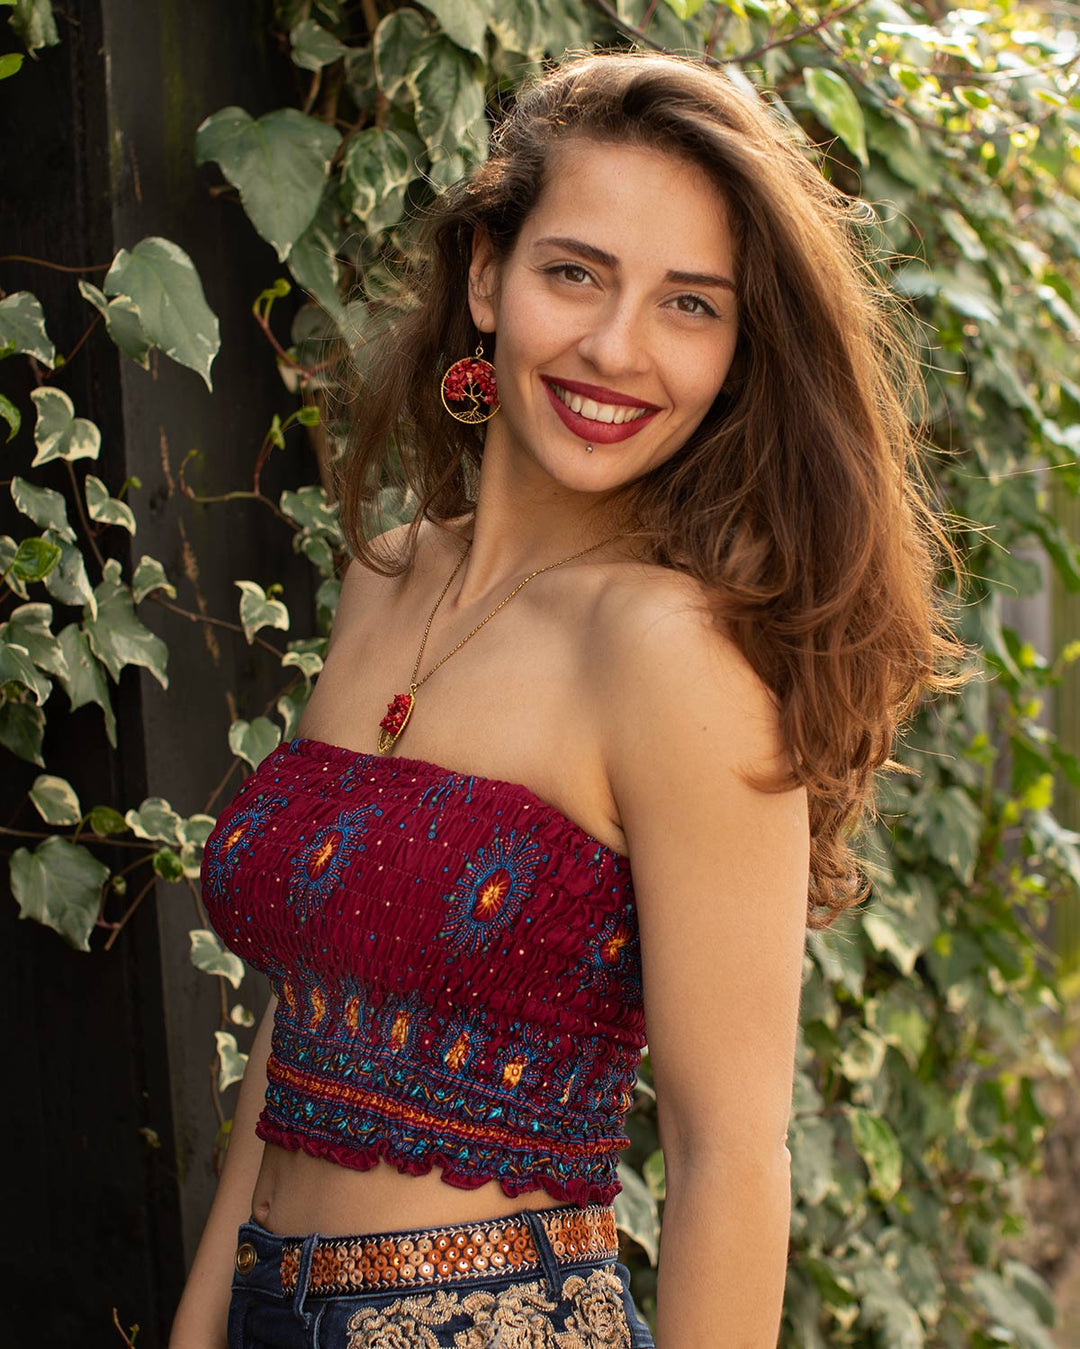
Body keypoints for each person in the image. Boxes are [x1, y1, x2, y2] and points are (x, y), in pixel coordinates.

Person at [171, 50, 961, 1349]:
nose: (615, 346)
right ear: (486, 275)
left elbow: (730, 1154)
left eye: (690, 305)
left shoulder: (673, 653)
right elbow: (303, 1016)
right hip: (270, 1301)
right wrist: (205, 1326)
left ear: (735, 351)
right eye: (575, 272)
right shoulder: (389, 579)